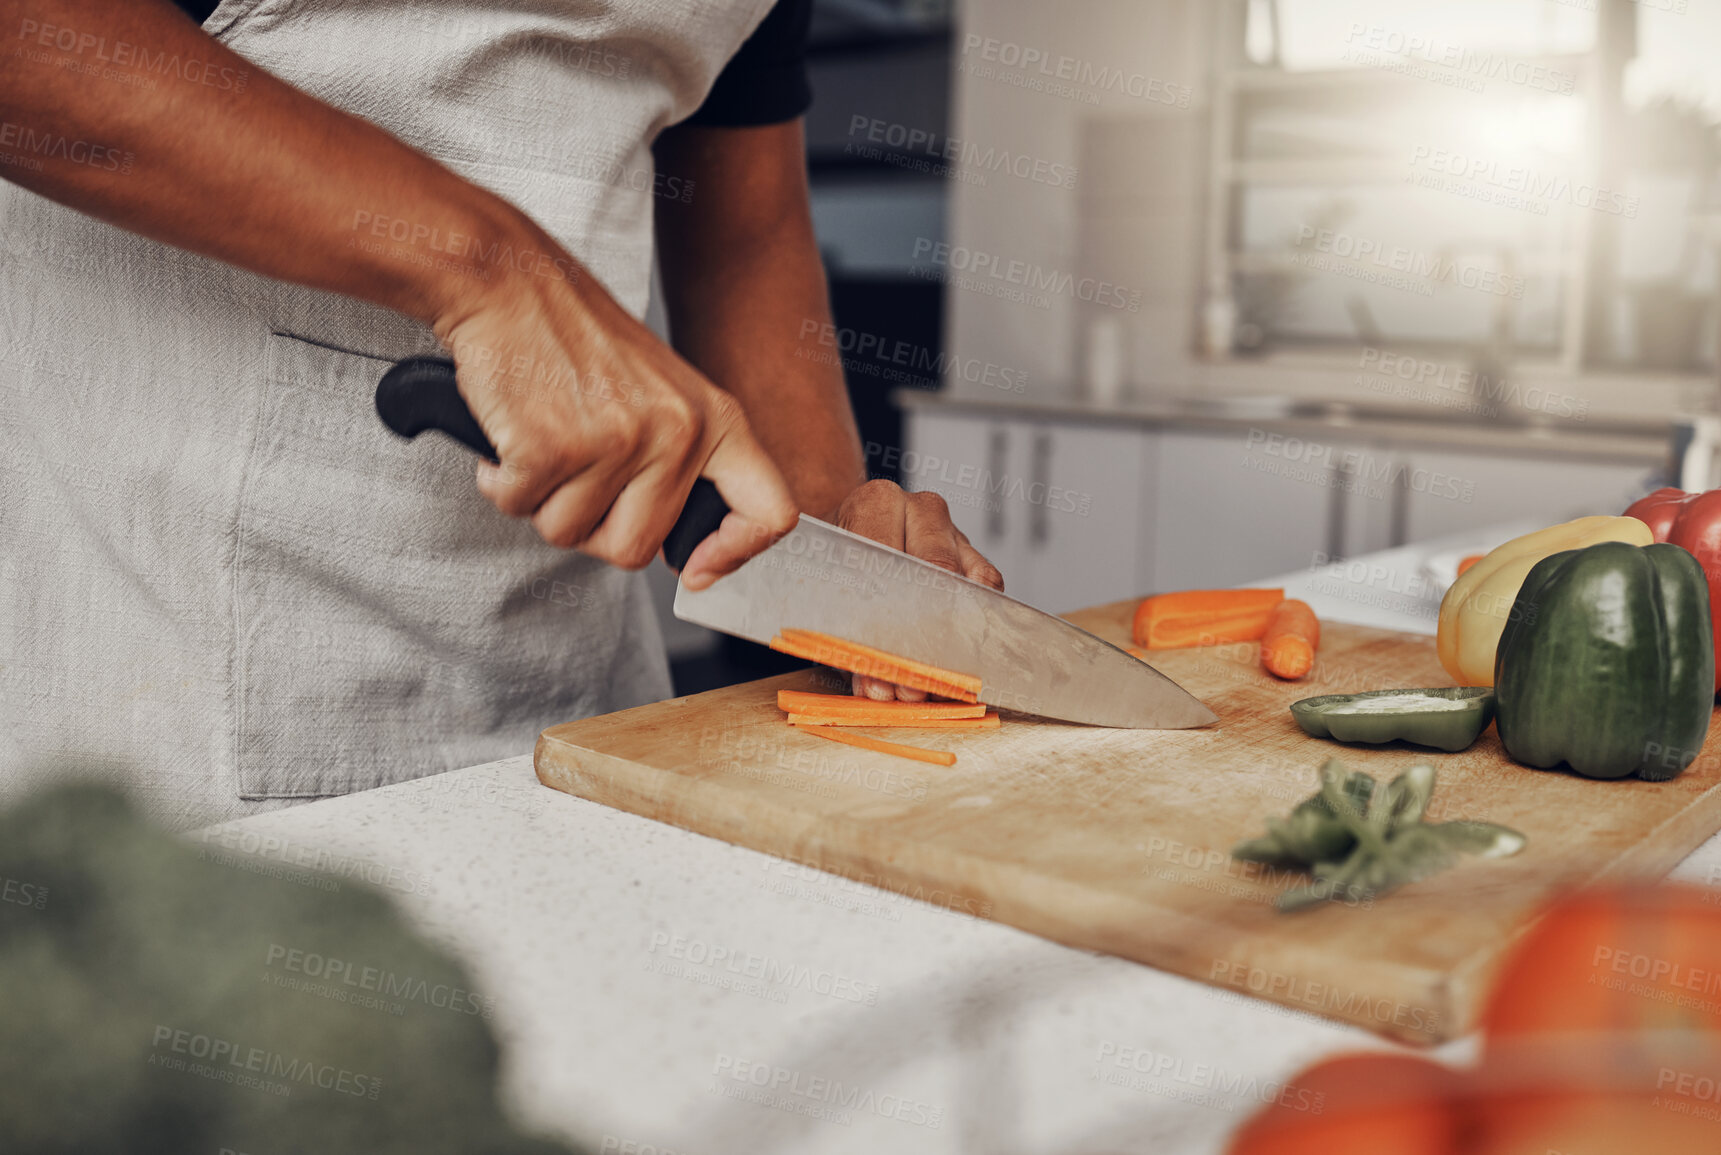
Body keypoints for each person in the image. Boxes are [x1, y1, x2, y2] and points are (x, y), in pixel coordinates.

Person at [0, 0, 1002, 828]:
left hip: (578, 705)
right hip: (168, 676)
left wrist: (826, 556)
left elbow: (749, 229)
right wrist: (487, 270)